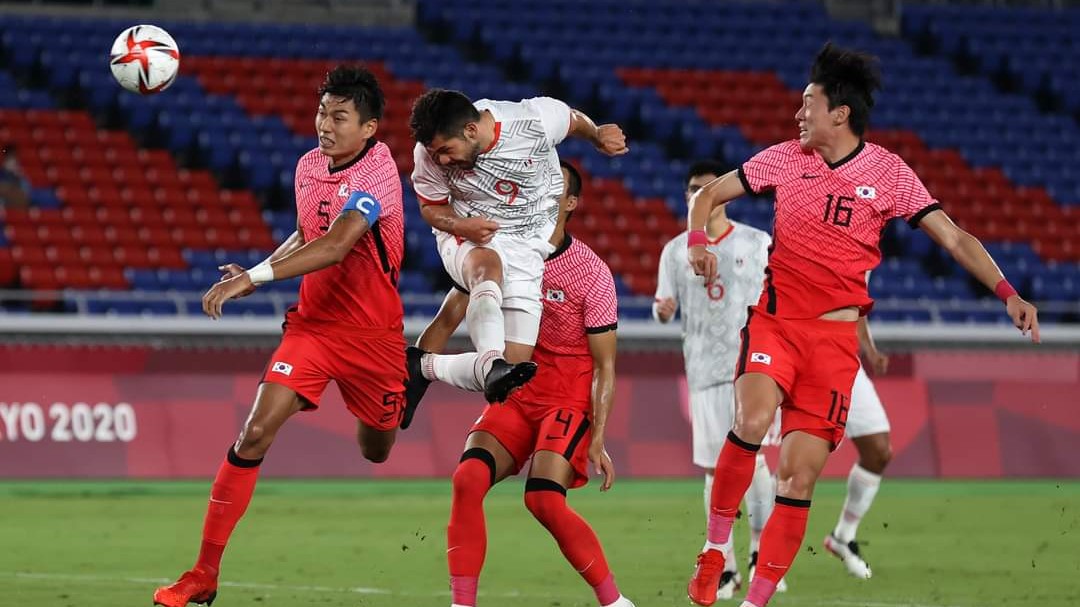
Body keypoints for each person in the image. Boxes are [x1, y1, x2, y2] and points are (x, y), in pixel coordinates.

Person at [684, 43, 1039, 607]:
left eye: (808, 103)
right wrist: (699, 241)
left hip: (833, 343)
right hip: (776, 322)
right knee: (751, 421)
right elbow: (707, 195)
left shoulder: (888, 173)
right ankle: (713, 548)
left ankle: (755, 600)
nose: (798, 114)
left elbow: (953, 237)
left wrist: (1008, 292)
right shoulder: (783, 158)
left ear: (839, 113)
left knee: (797, 481)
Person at [153, 65, 406, 607]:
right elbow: (307, 231)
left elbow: (339, 244)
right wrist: (262, 269)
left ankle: (407, 389)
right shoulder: (309, 166)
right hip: (313, 328)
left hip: (374, 338)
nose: (325, 124)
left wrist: (255, 277)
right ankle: (203, 573)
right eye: (322, 112)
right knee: (255, 433)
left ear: (369, 129)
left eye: (340, 116)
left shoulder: (378, 173)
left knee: (377, 449)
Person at [411, 161, 634, 607]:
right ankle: (462, 603)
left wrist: (599, 439)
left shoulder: (591, 273)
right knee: (467, 479)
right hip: (516, 392)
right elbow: (450, 314)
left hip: (566, 398)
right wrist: (412, 370)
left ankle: (614, 602)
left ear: (570, 203)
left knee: (544, 502)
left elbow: (605, 366)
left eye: (556, 190)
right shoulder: (501, 252)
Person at [404, 89, 627, 417]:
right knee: (485, 266)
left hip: (527, 244)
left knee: (512, 373)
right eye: (437, 154)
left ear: (471, 131)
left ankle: (423, 367)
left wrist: (597, 136)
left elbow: (573, 119)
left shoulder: (534, 121)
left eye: (447, 152)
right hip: (468, 229)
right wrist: (460, 227)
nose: (443, 161)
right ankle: (487, 360)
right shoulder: (426, 155)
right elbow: (430, 206)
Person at [654, 160, 784, 599]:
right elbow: (661, 304)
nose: (699, 195)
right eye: (692, 188)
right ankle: (724, 566)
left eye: (708, 189)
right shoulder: (675, 250)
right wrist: (663, 311)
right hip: (706, 370)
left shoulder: (756, 241)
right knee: (715, 469)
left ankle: (761, 553)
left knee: (759, 460)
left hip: (756, 366)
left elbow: (778, 295)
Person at [823, 314, 892, 579]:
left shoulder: (865, 270)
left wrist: (869, 350)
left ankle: (843, 535)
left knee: (878, 452)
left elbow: (856, 303)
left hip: (844, 357)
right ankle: (759, 557)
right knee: (795, 459)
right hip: (800, 352)